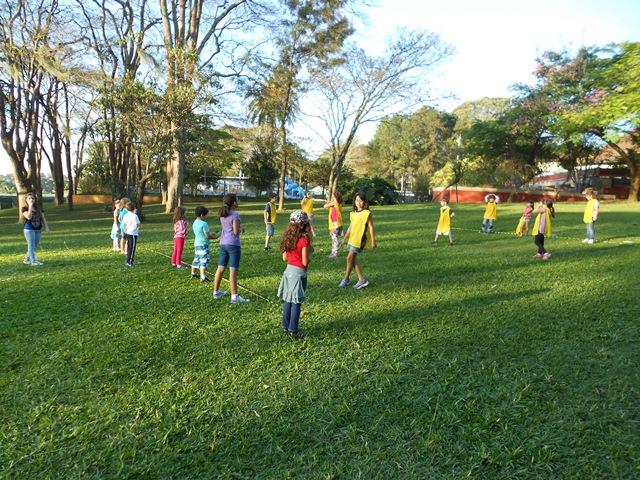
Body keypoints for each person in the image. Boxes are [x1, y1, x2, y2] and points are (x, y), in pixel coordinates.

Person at [277, 211, 313, 339]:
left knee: (288, 300)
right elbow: (304, 262)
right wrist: (310, 254)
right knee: (296, 302)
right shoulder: (304, 240)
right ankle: (294, 330)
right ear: (303, 225)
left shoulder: (288, 238)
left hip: (288, 272)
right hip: (299, 274)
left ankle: (285, 326)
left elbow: (284, 258)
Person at [213, 194, 250, 303]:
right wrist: (241, 229)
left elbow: (227, 227)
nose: (238, 201)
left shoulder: (223, 213)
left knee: (220, 268)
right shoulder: (235, 215)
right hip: (233, 245)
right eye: (237, 200)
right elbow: (235, 232)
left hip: (223, 244)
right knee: (233, 270)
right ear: (234, 203)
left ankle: (216, 292)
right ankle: (234, 297)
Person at [339, 191, 376, 289]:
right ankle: (359, 279)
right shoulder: (353, 214)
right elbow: (350, 228)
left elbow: (371, 227)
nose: (358, 202)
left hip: (359, 239)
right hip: (352, 239)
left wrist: (373, 240)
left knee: (349, 258)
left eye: (360, 200)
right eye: (356, 200)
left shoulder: (367, 213)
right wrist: (344, 239)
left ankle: (348, 279)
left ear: (364, 202)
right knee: (352, 259)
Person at [191, 206, 219, 282]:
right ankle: (203, 277)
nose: (207, 216)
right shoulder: (204, 224)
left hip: (197, 243)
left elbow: (201, 233)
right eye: (206, 214)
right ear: (202, 215)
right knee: (204, 260)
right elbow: (207, 236)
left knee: (197, 258)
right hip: (203, 244)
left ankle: (193, 273)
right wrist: (216, 237)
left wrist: (211, 233)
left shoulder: (195, 222)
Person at [21, 192, 50, 266]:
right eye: (29, 198)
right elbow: (28, 217)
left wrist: (46, 227)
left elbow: (43, 218)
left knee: (34, 246)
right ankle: (33, 261)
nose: (31, 200)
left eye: (33, 198)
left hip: (38, 228)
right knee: (31, 245)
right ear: (26, 200)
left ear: (35, 199)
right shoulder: (24, 208)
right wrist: (30, 206)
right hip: (29, 229)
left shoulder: (39, 208)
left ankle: (26, 259)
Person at [323, 190, 343, 259]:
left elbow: (325, 206)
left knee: (334, 239)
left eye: (333, 196)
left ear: (335, 196)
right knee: (334, 239)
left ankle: (335, 254)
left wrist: (328, 202)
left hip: (334, 224)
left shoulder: (335, 202)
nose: (332, 197)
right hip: (337, 223)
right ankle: (333, 252)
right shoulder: (338, 203)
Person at [121, 201, 140, 267]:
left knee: (129, 247)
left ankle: (128, 260)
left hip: (128, 233)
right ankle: (130, 262)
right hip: (133, 234)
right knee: (132, 248)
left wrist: (125, 230)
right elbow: (137, 224)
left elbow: (123, 225)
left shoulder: (126, 215)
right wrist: (134, 229)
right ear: (134, 208)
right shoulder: (134, 216)